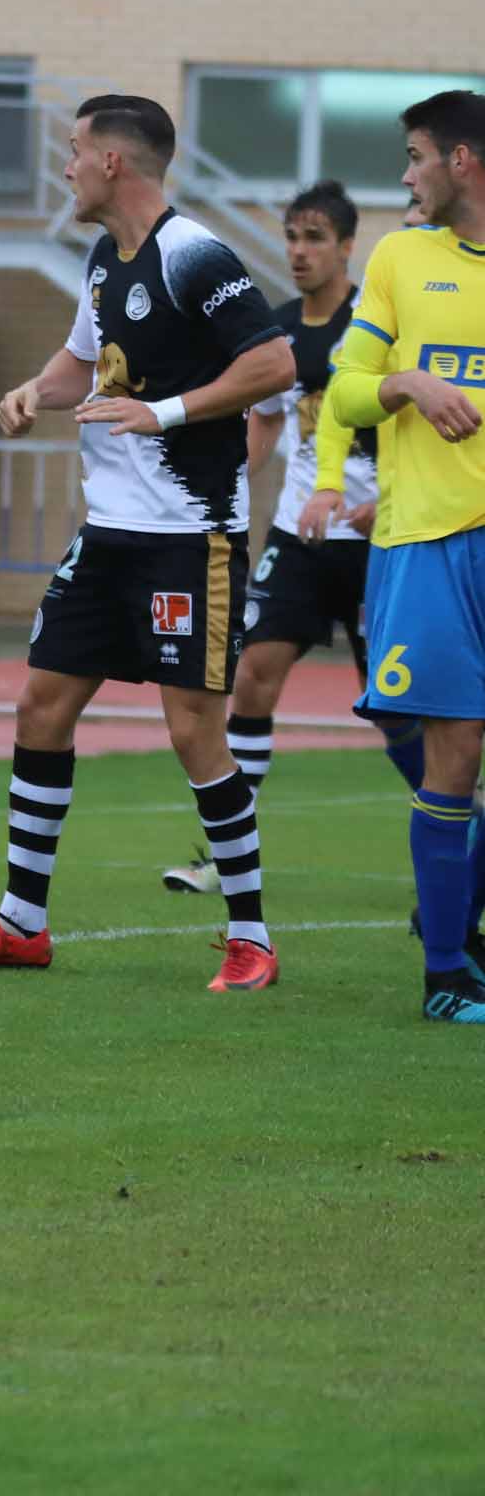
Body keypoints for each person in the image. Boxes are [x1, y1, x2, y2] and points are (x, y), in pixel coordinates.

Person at [0, 95, 293, 989]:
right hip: (108, 535)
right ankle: (22, 925)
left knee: (194, 731)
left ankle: (252, 939)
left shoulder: (192, 253)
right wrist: (33, 393)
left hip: (187, 538)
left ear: (114, 163)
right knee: (40, 706)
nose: (67, 167)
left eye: (75, 151)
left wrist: (161, 411)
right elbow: (83, 361)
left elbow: (274, 362)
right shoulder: (102, 258)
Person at [162, 180, 425, 893]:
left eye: (315, 238)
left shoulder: (381, 324)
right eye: (292, 236)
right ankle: (228, 854)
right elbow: (269, 422)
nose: (299, 251)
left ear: (347, 247)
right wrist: (220, 484)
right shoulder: (276, 333)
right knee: (251, 677)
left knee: (394, 703)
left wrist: (391, 498)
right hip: (299, 535)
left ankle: (452, 817)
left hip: (383, 540)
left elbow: (419, 416)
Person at [319, 87, 485, 1025]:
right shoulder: (399, 257)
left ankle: (456, 929)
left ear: (462, 160)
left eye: (416, 155)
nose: (406, 175)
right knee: (452, 752)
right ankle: (446, 974)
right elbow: (342, 393)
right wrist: (409, 383)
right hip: (428, 539)